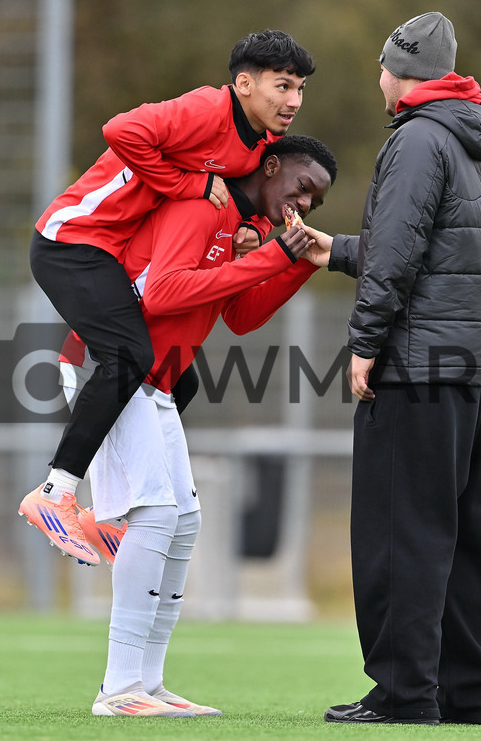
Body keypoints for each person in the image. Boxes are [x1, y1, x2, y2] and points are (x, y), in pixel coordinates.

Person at [58, 135, 336, 716]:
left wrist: (299, 265)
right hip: (112, 370)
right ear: (271, 165)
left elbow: (239, 314)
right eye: (302, 187)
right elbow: (160, 294)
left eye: (316, 202)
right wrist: (271, 256)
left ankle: (147, 683)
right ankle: (117, 689)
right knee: (157, 513)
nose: (304, 205)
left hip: (152, 382)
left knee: (184, 521)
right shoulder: (202, 205)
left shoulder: (239, 221)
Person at [19, 30, 316, 566]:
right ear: (243, 84)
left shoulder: (263, 143)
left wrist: (249, 229)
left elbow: (246, 200)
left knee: (178, 376)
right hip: (71, 238)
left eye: (300, 89)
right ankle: (55, 491)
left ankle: (103, 515)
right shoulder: (207, 109)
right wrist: (186, 184)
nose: (294, 100)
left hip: (111, 252)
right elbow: (120, 129)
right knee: (131, 355)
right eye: (283, 86)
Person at [307, 13, 481, 725]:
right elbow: (438, 249)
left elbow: (397, 254)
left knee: (402, 533)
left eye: (382, 64)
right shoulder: (467, 139)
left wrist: (365, 344)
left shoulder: (418, 139)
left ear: (402, 70)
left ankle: (403, 691)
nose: (378, 76)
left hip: (418, 369)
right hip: (475, 370)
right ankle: (471, 694)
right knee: (462, 535)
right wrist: (332, 250)